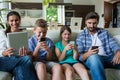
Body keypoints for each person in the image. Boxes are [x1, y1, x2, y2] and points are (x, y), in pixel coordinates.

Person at [76, 11, 120, 80]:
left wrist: (118, 52)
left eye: (94, 23)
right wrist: (88, 53)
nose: (92, 26)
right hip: (91, 60)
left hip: (108, 58)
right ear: (85, 22)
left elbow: (113, 44)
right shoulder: (81, 36)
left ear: (97, 22)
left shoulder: (104, 32)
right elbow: (79, 57)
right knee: (94, 57)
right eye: (89, 23)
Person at [0, 11, 38, 80]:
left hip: (19, 60)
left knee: (21, 70)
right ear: (8, 22)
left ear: (19, 21)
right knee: (27, 59)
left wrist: (26, 52)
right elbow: (1, 51)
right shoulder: (2, 33)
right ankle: (24, 59)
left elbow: (28, 50)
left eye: (16, 20)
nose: (14, 23)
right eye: (11, 20)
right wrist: (5, 52)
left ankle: (23, 60)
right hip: (5, 60)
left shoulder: (24, 35)